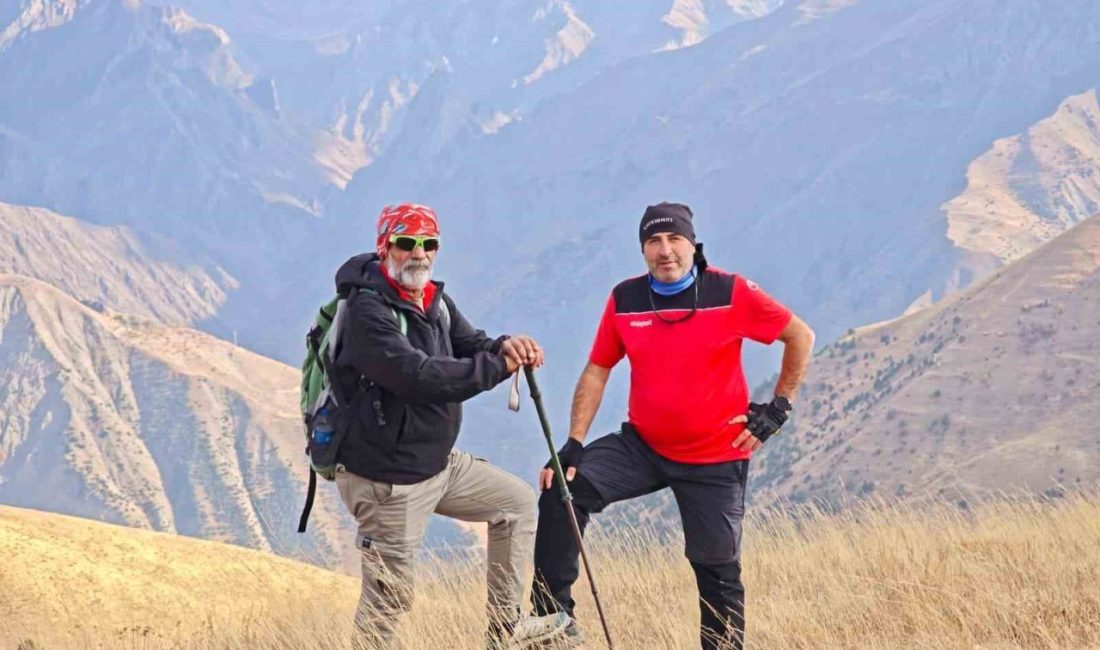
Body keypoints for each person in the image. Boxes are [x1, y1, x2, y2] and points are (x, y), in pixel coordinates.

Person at [530, 202, 815, 649]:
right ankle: (552, 621)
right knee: (562, 487)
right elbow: (598, 369)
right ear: (643, 249)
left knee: (716, 568)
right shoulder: (625, 299)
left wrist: (779, 408)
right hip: (643, 445)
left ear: (692, 244)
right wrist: (574, 443)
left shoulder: (730, 291)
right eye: (653, 241)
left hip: (715, 454)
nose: (665, 250)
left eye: (674, 239)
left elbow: (800, 336)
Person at [332, 203, 569, 649]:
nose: (418, 253)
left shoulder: (432, 301)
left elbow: (471, 342)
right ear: (384, 247)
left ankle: (505, 630)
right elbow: (421, 378)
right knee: (389, 600)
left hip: (437, 465)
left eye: (429, 244)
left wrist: (506, 346)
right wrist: (497, 366)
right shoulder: (367, 312)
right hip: (390, 480)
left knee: (516, 504)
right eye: (406, 243)